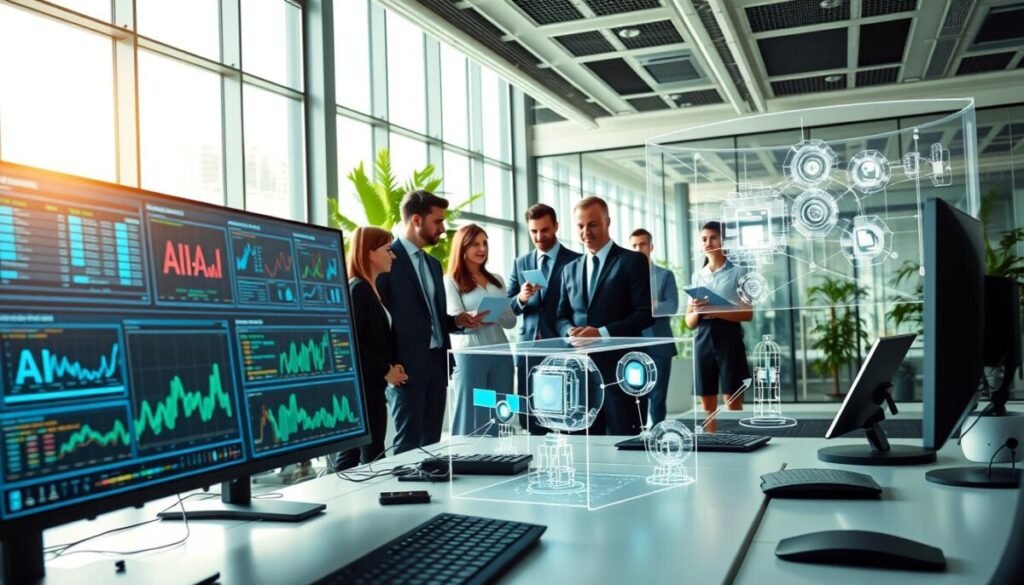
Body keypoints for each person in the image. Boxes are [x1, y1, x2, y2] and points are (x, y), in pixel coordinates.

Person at [378, 190, 486, 453]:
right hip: (405, 369)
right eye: (437, 222)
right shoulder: (388, 259)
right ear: (417, 220)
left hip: (436, 366)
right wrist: (388, 366)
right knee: (406, 447)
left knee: (432, 446)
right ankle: (401, 493)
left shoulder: (433, 264)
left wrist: (458, 320)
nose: (442, 228)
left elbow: (433, 317)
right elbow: (380, 320)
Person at [556, 196, 653, 435]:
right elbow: (560, 316)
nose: (586, 231)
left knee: (625, 438)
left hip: (621, 370)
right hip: (580, 372)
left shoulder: (632, 261)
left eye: (592, 224)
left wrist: (601, 333)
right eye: (580, 226)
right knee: (585, 444)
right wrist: (569, 331)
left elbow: (644, 314)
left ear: (607, 222)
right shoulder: (569, 269)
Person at [335, 227, 408, 469]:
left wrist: (392, 366)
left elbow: (378, 338)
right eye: (388, 250)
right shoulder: (358, 289)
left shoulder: (374, 290)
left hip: (373, 388)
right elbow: (349, 342)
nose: (393, 255)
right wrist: (385, 370)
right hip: (362, 390)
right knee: (361, 457)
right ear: (369, 253)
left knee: (370, 455)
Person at [506, 203, 580, 434]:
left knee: (564, 408)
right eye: (533, 231)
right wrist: (522, 297)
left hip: (561, 345)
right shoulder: (521, 262)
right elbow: (508, 309)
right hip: (529, 348)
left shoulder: (575, 261)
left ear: (556, 226)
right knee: (529, 413)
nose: (539, 237)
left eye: (544, 230)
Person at [444, 224, 517, 436]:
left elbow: (511, 322)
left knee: (501, 409)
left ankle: (503, 456)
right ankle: (463, 459)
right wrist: (473, 316)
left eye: (484, 243)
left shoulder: (497, 280)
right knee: (471, 411)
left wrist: (500, 313)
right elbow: (455, 317)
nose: (482, 248)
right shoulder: (451, 281)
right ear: (462, 247)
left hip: (501, 352)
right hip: (470, 353)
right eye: (475, 244)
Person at [684, 221, 753, 433]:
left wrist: (715, 309)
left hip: (728, 337)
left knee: (732, 398)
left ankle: (737, 439)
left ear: (724, 240)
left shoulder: (739, 272)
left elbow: (748, 313)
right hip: (702, 338)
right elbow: (688, 322)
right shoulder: (698, 276)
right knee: (707, 403)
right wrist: (697, 311)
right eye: (704, 239)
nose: (708, 243)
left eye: (713, 237)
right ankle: (711, 440)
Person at [629, 228, 679, 426]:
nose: (638, 248)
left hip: (659, 343)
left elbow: (673, 306)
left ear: (651, 246)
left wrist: (652, 305)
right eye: (634, 245)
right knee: (635, 393)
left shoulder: (665, 275)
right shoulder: (626, 276)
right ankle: (636, 435)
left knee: (657, 396)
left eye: (642, 244)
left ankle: (658, 434)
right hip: (633, 342)